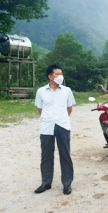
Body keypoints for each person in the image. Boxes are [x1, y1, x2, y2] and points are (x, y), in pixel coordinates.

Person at [34, 63, 76, 195]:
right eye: (57, 74)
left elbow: (69, 108)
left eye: (61, 74)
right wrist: (49, 119)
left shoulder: (67, 90)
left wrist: (60, 118)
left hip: (62, 125)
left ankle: (67, 183)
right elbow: (40, 109)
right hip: (46, 127)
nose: (60, 76)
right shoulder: (41, 91)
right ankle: (46, 182)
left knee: (65, 155)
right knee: (46, 156)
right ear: (50, 76)